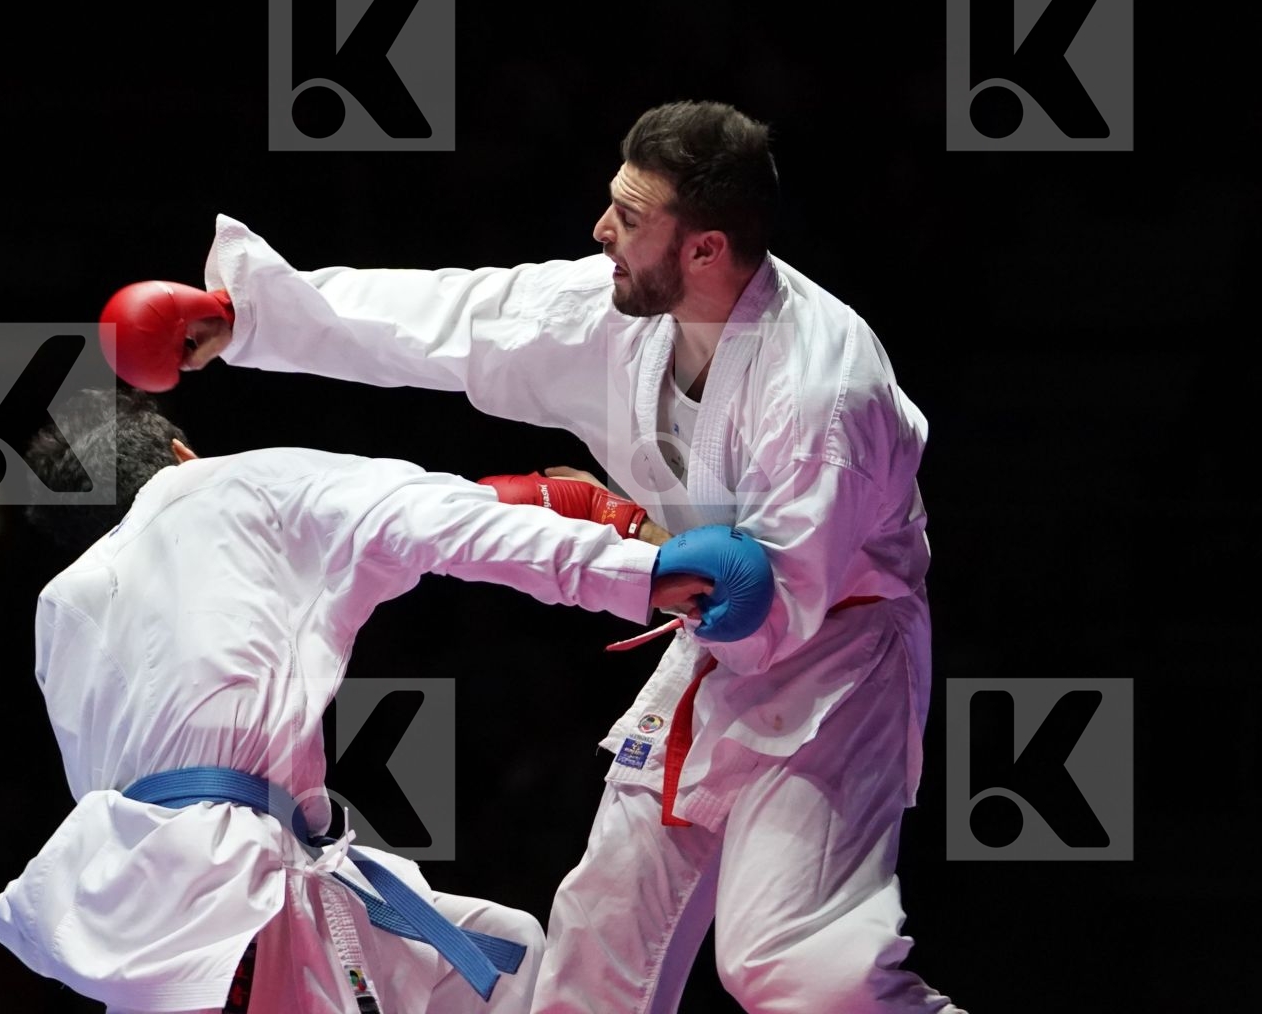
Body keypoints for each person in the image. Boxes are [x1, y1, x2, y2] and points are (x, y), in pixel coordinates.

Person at [127, 100, 963, 1012]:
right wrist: (249, 318)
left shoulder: (821, 392)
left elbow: (763, 608)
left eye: (631, 218)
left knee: (794, 967)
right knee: (594, 954)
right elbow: (458, 315)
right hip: (708, 644)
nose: (602, 230)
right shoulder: (620, 310)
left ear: (705, 250)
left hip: (834, 663)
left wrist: (627, 531)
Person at [0, 387, 768, 1014]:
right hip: (238, 904)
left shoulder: (62, 605)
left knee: (504, 961)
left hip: (144, 921)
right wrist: (636, 568)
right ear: (183, 453)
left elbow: (99, 792)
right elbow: (433, 521)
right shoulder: (230, 484)